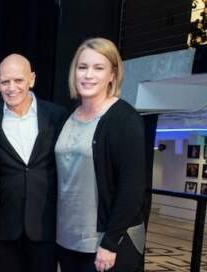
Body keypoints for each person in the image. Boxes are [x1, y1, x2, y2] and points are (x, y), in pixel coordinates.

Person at [54, 37, 147, 272]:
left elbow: (132, 189)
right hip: (67, 241)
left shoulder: (124, 120)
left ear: (113, 75)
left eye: (98, 68)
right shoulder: (67, 117)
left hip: (107, 244)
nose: (88, 75)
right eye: (82, 67)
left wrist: (110, 242)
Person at [0, 54, 67, 272]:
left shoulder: (58, 116)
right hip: (3, 230)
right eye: (5, 82)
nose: (12, 88)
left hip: (45, 227)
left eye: (18, 80)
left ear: (31, 79)